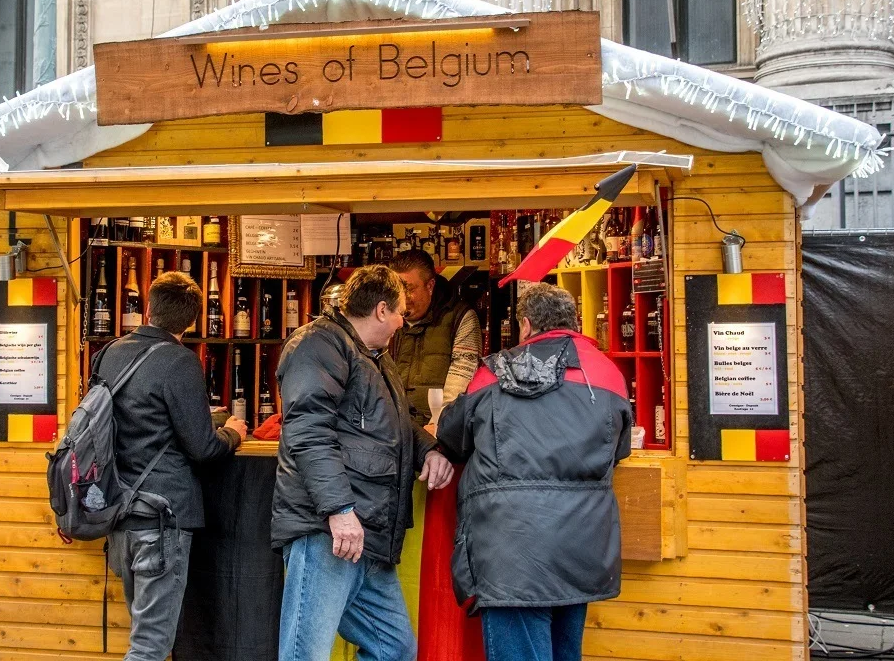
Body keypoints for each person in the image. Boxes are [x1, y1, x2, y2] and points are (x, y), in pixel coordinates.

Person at [434, 283, 633, 661]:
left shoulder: (492, 373)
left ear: (525, 326)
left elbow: (452, 434)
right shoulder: (607, 372)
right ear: (574, 322)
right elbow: (618, 450)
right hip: (582, 545)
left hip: (509, 549)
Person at [271, 265, 455, 661]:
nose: (404, 322)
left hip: (367, 532)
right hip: (329, 531)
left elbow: (397, 420)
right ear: (382, 310)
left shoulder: (374, 356)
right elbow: (308, 433)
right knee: (307, 654)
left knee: (394, 649)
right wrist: (339, 509)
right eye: (402, 312)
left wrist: (429, 450)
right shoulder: (317, 345)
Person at [97, 271, 247, 661]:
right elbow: (203, 448)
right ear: (193, 320)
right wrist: (233, 433)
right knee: (150, 646)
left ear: (147, 309)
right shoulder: (180, 362)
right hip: (161, 518)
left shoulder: (109, 353)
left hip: (120, 516)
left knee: (143, 632)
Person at [389, 249, 482, 426]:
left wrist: (438, 427)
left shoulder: (461, 318)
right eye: (396, 289)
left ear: (430, 286)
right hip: (393, 430)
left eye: (409, 288)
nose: (402, 297)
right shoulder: (385, 317)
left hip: (437, 432)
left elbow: (460, 381)